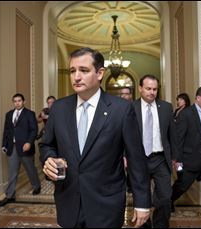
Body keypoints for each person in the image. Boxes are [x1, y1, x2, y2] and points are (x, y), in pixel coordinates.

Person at [39, 47, 151, 228]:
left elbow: (136, 158)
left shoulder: (121, 109)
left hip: (106, 204)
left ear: (100, 73)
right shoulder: (59, 108)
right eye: (72, 71)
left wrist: (142, 202)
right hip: (68, 200)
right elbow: (46, 145)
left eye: (83, 70)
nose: (76, 77)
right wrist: (49, 158)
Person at [171, 86, 201, 228]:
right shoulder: (185, 114)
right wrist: (177, 163)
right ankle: (168, 201)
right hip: (188, 161)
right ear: (198, 98)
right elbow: (178, 140)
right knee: (181, 186)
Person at [133, 74, 175, 228]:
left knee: (165, 197)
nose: (152, 92)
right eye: (148, 88)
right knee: (142, 198)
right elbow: (123, 136)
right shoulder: (131, 108)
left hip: (160, 159)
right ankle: (144, 225)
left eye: (155, 89)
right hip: (139, 160)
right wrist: (124, 156)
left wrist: (176, 157)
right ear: (140, 88)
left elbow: (172, 134)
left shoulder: (166, 107)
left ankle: (160, 225)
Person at [0, 93, 41, 207]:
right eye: (15, 101)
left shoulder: (30, 114)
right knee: (12, 172)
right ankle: (9, 196)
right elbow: (6, 131)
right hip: (12, 147)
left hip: (25, 147)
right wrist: (4, 145)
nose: (17, 103)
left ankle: (36, 186)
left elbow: (34, 130)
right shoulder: (9, 114)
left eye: (19, 101)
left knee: (30, 169)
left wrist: (29, 142)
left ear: (23, 101)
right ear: (13, 102)